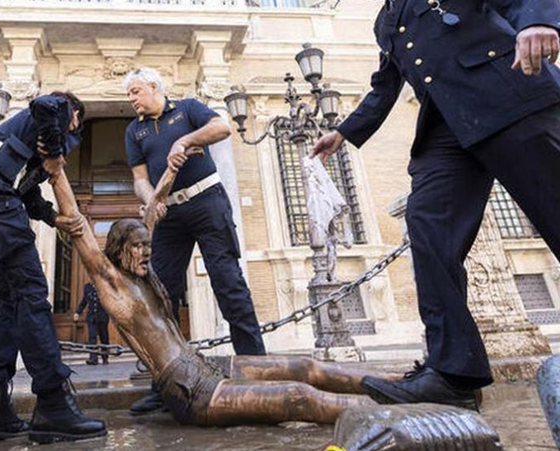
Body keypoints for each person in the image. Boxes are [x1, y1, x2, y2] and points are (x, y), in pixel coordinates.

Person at [311, 0, 560, 410]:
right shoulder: (386, 20)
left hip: (508, 93)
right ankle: (453, 373)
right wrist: (343, 132)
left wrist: (537, 23)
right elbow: (384, 86)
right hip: (446, 127)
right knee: (426, 225)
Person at [45, 151, 398, 427]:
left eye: (146, 244)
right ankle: (401, 411)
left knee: (306, 366)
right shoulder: (113, 283)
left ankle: (401, 384)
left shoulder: (146, 278)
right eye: (136, 246)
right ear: (118, 248)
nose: (145, 250)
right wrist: (58, 171)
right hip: (189, 389)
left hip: (202, 365)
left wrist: (172, 167)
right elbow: (78, 227)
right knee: (298, 396)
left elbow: (154, 208)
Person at [0, 92, 106, 445]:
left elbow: (28, 194)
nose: (74, 129)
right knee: (32, 295)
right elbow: (45, 105)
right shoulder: (58, 108)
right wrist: (54, 154)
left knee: (10, 301)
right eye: (76, 123)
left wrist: (53, 218)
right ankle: (53, 404)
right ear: (75, 115)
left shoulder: (19, 139)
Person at [123, 67, 266, 414]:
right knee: (161, 295)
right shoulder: (134, 130)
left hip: (207, 203)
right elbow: (139, 177)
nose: (132, 100)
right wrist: (150, 198)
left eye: (135, 92)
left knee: (228, 284)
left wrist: (184, 141)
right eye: (129, 95)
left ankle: (259, 375)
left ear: (154, 87)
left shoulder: (188, 108)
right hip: (168, 214)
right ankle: (165, 385)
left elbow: (221, 126)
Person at [73, 282, 110, 365]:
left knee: (104, 337)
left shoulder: (104, 285)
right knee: (92, 337)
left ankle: (105, 357)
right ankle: (93, 358)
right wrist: (78, 312)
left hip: (102, 316)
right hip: (91, 317)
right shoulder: (87, 287)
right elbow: (84, 301)